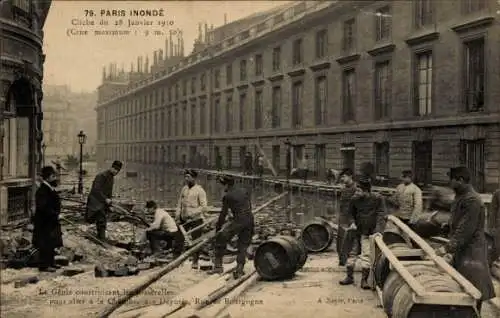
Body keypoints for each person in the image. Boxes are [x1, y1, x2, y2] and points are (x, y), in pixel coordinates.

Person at [437, 167, 495, 314]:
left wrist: (447, 248)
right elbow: (459, 222)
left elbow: (466, 229)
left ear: (460, 180)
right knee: (462, 288)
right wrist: (446, 226)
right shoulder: (461, 196)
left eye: (451, 180)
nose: (449, 184)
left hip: (472, 250)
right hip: (463, 249)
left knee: (474, 288)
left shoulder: (472, 199)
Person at [339, 175, 387, 289]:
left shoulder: (378, 199)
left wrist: (378, 230)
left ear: (366, 191)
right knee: (352, 253)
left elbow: (382, 214)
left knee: (366, 254)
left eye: (359, 190)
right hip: (356, 230)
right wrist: (351, 222)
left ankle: (364, 280)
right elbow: (349, 213)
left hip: (369, 231)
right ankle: (349, 277)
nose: (356, 192)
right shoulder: (354, 199)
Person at [210, 175, 254, 279]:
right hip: (249, 219)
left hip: (239, 220)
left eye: (222, 186)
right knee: (242, 245)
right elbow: (247, 207)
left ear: (226, 185)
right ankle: (239, 270)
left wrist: (218, 229)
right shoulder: (244, 191)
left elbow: (222, 214)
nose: (222, 188)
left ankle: (218, 267)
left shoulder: (227, 196)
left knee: (220, 239)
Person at [175, 169, 208, 269]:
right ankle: (177, 260)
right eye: (185, 177)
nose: (186, 179)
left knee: (196, 240)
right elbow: (179, 204)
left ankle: (195, 261)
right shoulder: (184, 189)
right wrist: (177, 216)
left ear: (194, 178)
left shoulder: (200, 190)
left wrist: (192, 214)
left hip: (196, 219)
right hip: (184, 219)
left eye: (188, 177)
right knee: (178, 238)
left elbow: (204, 207)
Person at [32, 166, 63, 272]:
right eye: (53, 176)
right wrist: (55, 215)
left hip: (50, 221)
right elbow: (43, 208)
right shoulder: (42, 191)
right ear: (48, 177)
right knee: (44, 243)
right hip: (44, 222)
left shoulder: (49, 188)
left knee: (51, 243)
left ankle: (51, 262)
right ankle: (44, 265)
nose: (55, 179)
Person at [85, 160, 122, 241]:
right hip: (95, 201)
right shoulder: (101, 175)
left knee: (101, 219)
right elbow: (96, 190)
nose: (116, 171)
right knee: (101, 219)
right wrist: (105, 199)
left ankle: (100, 237)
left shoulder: (111, 177)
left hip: (102, 202)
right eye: (115, 169)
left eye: (118, 170)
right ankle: (101, 239)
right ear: (111, 167)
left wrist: (110, 204)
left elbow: (109, 192)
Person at [336, 168, 361, 266]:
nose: (342, 178)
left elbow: (358, 206)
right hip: (343, 217)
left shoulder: (356, 189)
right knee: (340, 240)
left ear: (350, 176)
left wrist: (355, 220)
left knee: (353, 241)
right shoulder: (343, 189)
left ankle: (351, 262)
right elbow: (341, 205)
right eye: (342, 177)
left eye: (344, 176)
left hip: (352, 218)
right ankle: (342, 261)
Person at [489, 188, 500, 261]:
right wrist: (492, 227)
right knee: (496, 249)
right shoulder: (497, 194)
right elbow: (493, 211)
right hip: (498, 227)